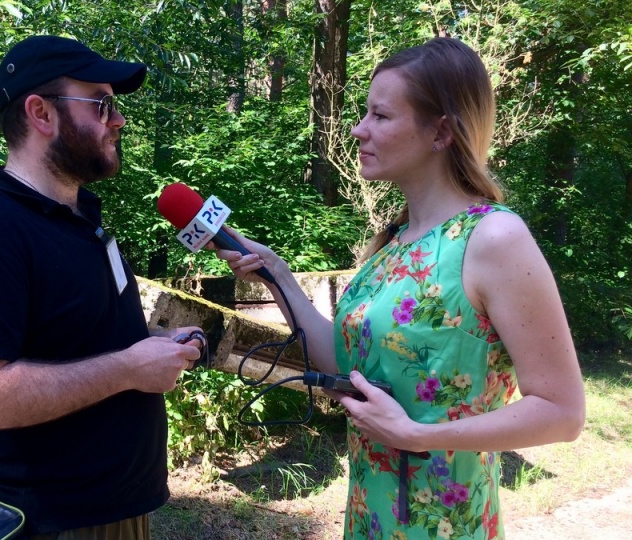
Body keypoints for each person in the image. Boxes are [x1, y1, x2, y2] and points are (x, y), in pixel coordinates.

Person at [212, 37, 585, 539]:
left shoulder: (494, 237)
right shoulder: (391, 243)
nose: (358, 129)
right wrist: (276, 274)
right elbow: (345, 366)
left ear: (441, 132)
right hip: (371, 516)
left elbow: (562, 412)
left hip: (446, 526)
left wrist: (417, 435)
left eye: (380, 116)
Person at [0, 35, 204, 539]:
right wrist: (127, 368)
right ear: (41, 114)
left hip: (116, 509)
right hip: (48, 521)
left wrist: (150, 348)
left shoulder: (83, 221)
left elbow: (80, 342)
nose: (117, 120)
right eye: (102, 104)